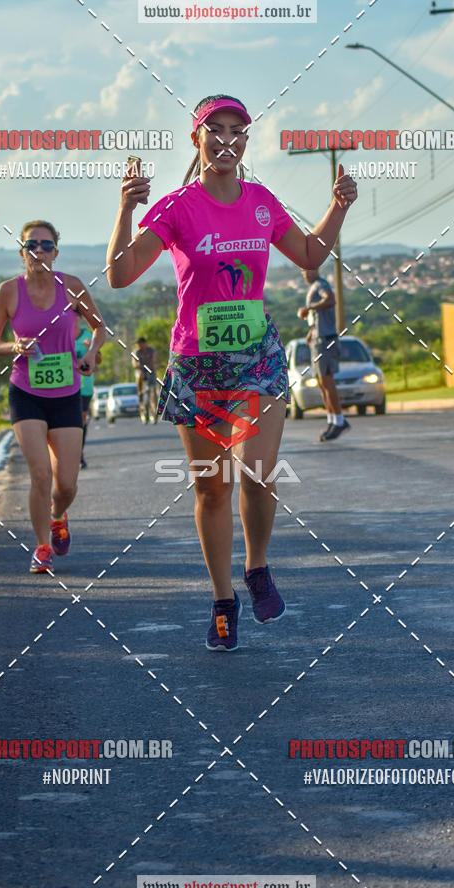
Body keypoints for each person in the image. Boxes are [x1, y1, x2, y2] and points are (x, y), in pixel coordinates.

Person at [106, 94, 357, 651]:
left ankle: (258, 566)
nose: (226, 139)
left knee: (260, 472)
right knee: (212, 490)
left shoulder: (262, 202)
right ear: (196, 139)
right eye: (214, 129)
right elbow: (121, 275)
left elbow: (311, 254)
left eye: (236, 130)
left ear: (246, 140)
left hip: (258, 357)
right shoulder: (176, 207)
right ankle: (223, 599)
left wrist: (338, 206)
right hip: (197, 364)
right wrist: (125, 209)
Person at [0, 220, 106, 573]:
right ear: (22, 252)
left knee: (66, 484)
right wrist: (13, 345)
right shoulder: (7, 292)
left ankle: (57, 515)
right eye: (32, 245)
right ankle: (41, 548)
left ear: (56, 251)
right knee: (40, 474)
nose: (39, 251)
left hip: (66, 394)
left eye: (46, 245)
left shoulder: (73, 287)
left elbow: (100, 328)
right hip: (26, 393)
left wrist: (88, 355)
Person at [298, 269, 349, 441]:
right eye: (302, 273)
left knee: (327, 382)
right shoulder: (314, 286)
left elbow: (331, 299)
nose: (304, 275)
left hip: (326, 340)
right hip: (318, 339)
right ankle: (332, 421)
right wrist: (311, 332)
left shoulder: (321, 284)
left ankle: (340, 420)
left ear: (314, 270)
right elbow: (318, 317)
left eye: (306, 271)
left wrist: (309, 307)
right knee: (321, 383)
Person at [75, 317, 95, 467]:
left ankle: (79, 455)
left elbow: (98, 359)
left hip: (85, 386)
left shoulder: (88, 336)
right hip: (64, 385)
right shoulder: (61, 334)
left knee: (81, 421)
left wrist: (91, 351)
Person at [133, 336, 159, 422]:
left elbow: (155, 360)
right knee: (139, 376)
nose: (140, 345)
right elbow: (134, 363)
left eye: (141, 343)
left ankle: (154, 405)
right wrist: (137, 365)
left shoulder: (151, 350)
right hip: (141, 370)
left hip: (151, 371)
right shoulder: (136, 352)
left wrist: (156, 366)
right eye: (139, 344)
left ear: (145, 343)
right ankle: (140, 392)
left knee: (153, 388)